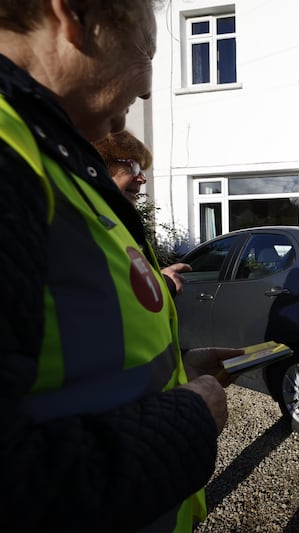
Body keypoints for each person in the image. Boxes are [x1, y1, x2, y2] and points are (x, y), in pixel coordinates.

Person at [0, 1, 243, 531]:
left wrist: (176, 374)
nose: (152, 87)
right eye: (147, 49)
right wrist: (186, 422)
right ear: (74, 17)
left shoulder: (47, 155)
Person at [93, 129, 192, 296]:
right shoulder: (91, 225)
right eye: (134, 167)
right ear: (102, 166)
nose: (142, 179)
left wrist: (156, 278)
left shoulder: (118, 223)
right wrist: (166, 284)